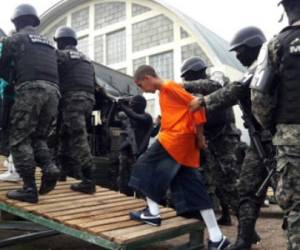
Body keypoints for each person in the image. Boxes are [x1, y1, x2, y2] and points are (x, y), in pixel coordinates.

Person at [189, 27, 274, 250]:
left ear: (254, 45)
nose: (237, 56)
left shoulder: (267, 61)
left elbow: (234, 89)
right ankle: (244, 239)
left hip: (279, 139)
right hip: (259, 140)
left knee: (287, 192)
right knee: (246, 188)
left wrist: (203, 101)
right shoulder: (256, 67)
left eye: (240, 51)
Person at [128, 65, 230, 250]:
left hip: (175, 139)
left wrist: (200, 138)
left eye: (140, 85)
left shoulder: (169, 87)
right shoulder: (164, 92)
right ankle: (217, 237)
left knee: (143, 166)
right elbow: (187, 111)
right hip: (183, 145)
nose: (142, 90)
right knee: (192, 185)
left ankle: (152, 213)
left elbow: (198, 107)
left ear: (147, 77)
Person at [251, 1, 300, 248]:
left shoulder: (275, 45)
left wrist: (273, 127)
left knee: (296, 207)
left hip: (292, 139)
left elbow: (259, 97)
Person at [0, 4, 61, 203]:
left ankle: (29, 188)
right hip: (53, 92)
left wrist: (11, 84)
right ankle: (50, 167)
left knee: (19, 139)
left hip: (30, 90)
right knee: (39, 138)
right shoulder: (49, 43)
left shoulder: (14, 39)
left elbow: (3, 69)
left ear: (16, 22)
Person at [181, 56, 241, 226]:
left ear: (195, 73)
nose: (185, 80)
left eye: (186, 77)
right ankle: (227, 215)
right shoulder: (196, 92)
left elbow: (216, 86)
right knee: (217, 180)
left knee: (230, 180)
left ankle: (246, 226)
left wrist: (184, 85)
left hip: (226, 138)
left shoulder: (216, 76)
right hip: (210, 139)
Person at [54, 26, 96, 194]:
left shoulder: (62, 55)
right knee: (64, 134)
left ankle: (88, 180)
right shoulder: (87, 59)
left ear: (61, 42)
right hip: (87, 100)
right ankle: (62, 172)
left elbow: (52, 73)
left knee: (78, 138)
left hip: (73, 100)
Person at [117, 95, 153, 195]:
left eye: (133, 104)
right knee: (123, 179)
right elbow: (113, 121)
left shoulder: (147, 117)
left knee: (138, 181)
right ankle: (125, 196)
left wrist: (122, 106)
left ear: (140, 106)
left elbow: (135, 116)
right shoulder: (128, 117)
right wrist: (116, 105)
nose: (131, 105)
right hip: (126, 151)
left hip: (139, 154)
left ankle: (140, 201)